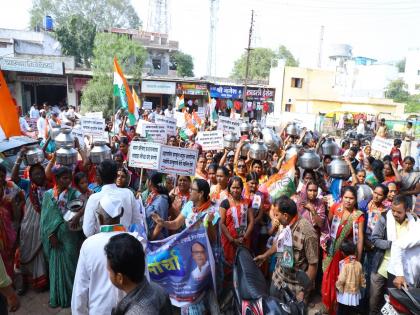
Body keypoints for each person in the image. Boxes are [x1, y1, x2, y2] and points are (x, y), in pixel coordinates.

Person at [151, 179, 221, 314]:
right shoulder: (189, 205)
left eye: (192, 190)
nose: (189, 191)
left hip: (204, 261)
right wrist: (163, 222)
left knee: (201, 295)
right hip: (189, 259)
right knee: (188, 294)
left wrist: (210, 223)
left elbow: (213, 239)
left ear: (200, 194)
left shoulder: (213, 210)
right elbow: (176, 224)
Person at [254, 197, 319, 302]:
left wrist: (302, 292)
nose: (275, 218)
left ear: (285, 215)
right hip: (278, 278)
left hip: (295, 288)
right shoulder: (285, 224)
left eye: (276, 215)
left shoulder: (308, 233)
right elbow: (278, 244)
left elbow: (313, 265)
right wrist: (265, 255)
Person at [71, 196, 128, 315]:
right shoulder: (136, 241)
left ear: (100, 218)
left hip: (99, 310)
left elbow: (80, 289)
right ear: (120, 214)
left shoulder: (89, 244)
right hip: (130, 310)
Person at [40, 166, 84, 308]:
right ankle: (58, 297)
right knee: (55, 265)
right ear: (57, 179)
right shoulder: (48, 194)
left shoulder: (73, 192)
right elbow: (45, 219)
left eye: (69, 178)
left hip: (70, 234)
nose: (68, 180)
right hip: (53, 235)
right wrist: (51, 235)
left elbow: (86, 202)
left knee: (71, 264)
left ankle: (72, 298)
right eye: (64, 178)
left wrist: (77, 215)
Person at [321, 186, 364, 315]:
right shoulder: (335, 208)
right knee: (328, 279)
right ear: (342, 197)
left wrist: (358, 259)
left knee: (341, 280)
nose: (348, 201)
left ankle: (337, 309)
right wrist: (323, 241)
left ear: (356, 199)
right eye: (346, 197)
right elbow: (326, 227)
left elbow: (360, 239)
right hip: (331, 250)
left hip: (345, 254)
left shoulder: (358, 216)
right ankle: (327, 307)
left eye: (351, 198)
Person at [105, 234, 172, 315]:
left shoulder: (135, 311)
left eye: (109, 270)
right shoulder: (159, 290)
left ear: (120, 278)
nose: (108, 272)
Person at [83, 160, 143, 238]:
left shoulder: (94, 198)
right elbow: (137, 222)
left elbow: (88, 231)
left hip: (102, 245)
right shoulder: (128, 194)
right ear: (116, 175)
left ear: (100, 177)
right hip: (125, 243)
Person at [17, 163, 51, 293]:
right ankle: (24, 282)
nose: (39, 175)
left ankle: (41, 281)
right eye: (36, 173)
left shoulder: (48, 187)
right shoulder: (27, 185)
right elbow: (15, 177)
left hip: (43, 227)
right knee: (26, 252)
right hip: (29, 228)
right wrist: (19, 158)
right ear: (30, 176)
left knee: (41, 255)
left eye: (41, 172)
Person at [220, 177, 254, 272]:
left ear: (242, 188)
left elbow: (251, 221)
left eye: (238, 188)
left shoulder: (247, 202)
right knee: (228, 265)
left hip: (244, 240)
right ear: (229, 188)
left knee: (242, 265)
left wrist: (244, 238)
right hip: (229, 241)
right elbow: (222, 223)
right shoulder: (225, 203)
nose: (235, 190)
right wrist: (232, 239)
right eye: (233, 187)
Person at [335, 240, 366, 315]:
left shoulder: (344, 264)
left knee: (341, 310)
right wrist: (362, 286)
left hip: (345, 292)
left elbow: (341, 279)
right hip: (355, 292)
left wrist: (338, 287)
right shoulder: (359, 264)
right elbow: (362, 278)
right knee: (350, 310)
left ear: (343, 253)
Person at [144, 173, 170, 240]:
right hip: (148, 234)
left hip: (157, 240)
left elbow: (160, 223)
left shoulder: (162, 199)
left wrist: (152, 239)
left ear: (150, 182)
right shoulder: (151, 195)